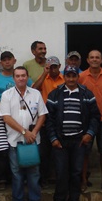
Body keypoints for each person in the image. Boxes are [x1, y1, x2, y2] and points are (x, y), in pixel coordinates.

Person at [46, 66, 100, 201]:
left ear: (77, 77)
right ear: (64, 77)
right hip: (60, 141)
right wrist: (53, 138)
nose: (71, 79)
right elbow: (48, 119)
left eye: (73, 76)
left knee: (76, 172)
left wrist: (89, 134)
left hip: (79, 141)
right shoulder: (55, 94)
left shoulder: (86, 94)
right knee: (61, 172)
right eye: (68, 76)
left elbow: (95, 116)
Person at [0, 66, 48, 201]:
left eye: (23, 75)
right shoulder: (7, 95)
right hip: (15, 141)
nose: (21, 78)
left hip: (33, 141)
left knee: (34, 174)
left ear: (27, 77)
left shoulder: (36, 94)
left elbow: (42, 115)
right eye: (18, 76)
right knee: (17, 174)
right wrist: (24, 132)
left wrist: (34, 132)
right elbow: (6, 117)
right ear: (14, 78)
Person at [78, 50, 102, 193]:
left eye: (97, 57)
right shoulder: (82, 76)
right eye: (92, 57)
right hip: (86, 120)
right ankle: (83, 181)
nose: (94, 59)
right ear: (87, 60)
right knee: (84, 151)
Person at [32, 55, 64, 187]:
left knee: (59, 152)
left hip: (62, 120)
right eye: (50, 67)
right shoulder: (44, 78)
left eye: (55, 67)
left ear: (59, 66)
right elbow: (33, 89)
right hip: (46, 120)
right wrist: (44, 73)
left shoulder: (65, 79)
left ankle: (58, 178)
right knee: (44, 152)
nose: (53, 70)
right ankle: (44, 178)